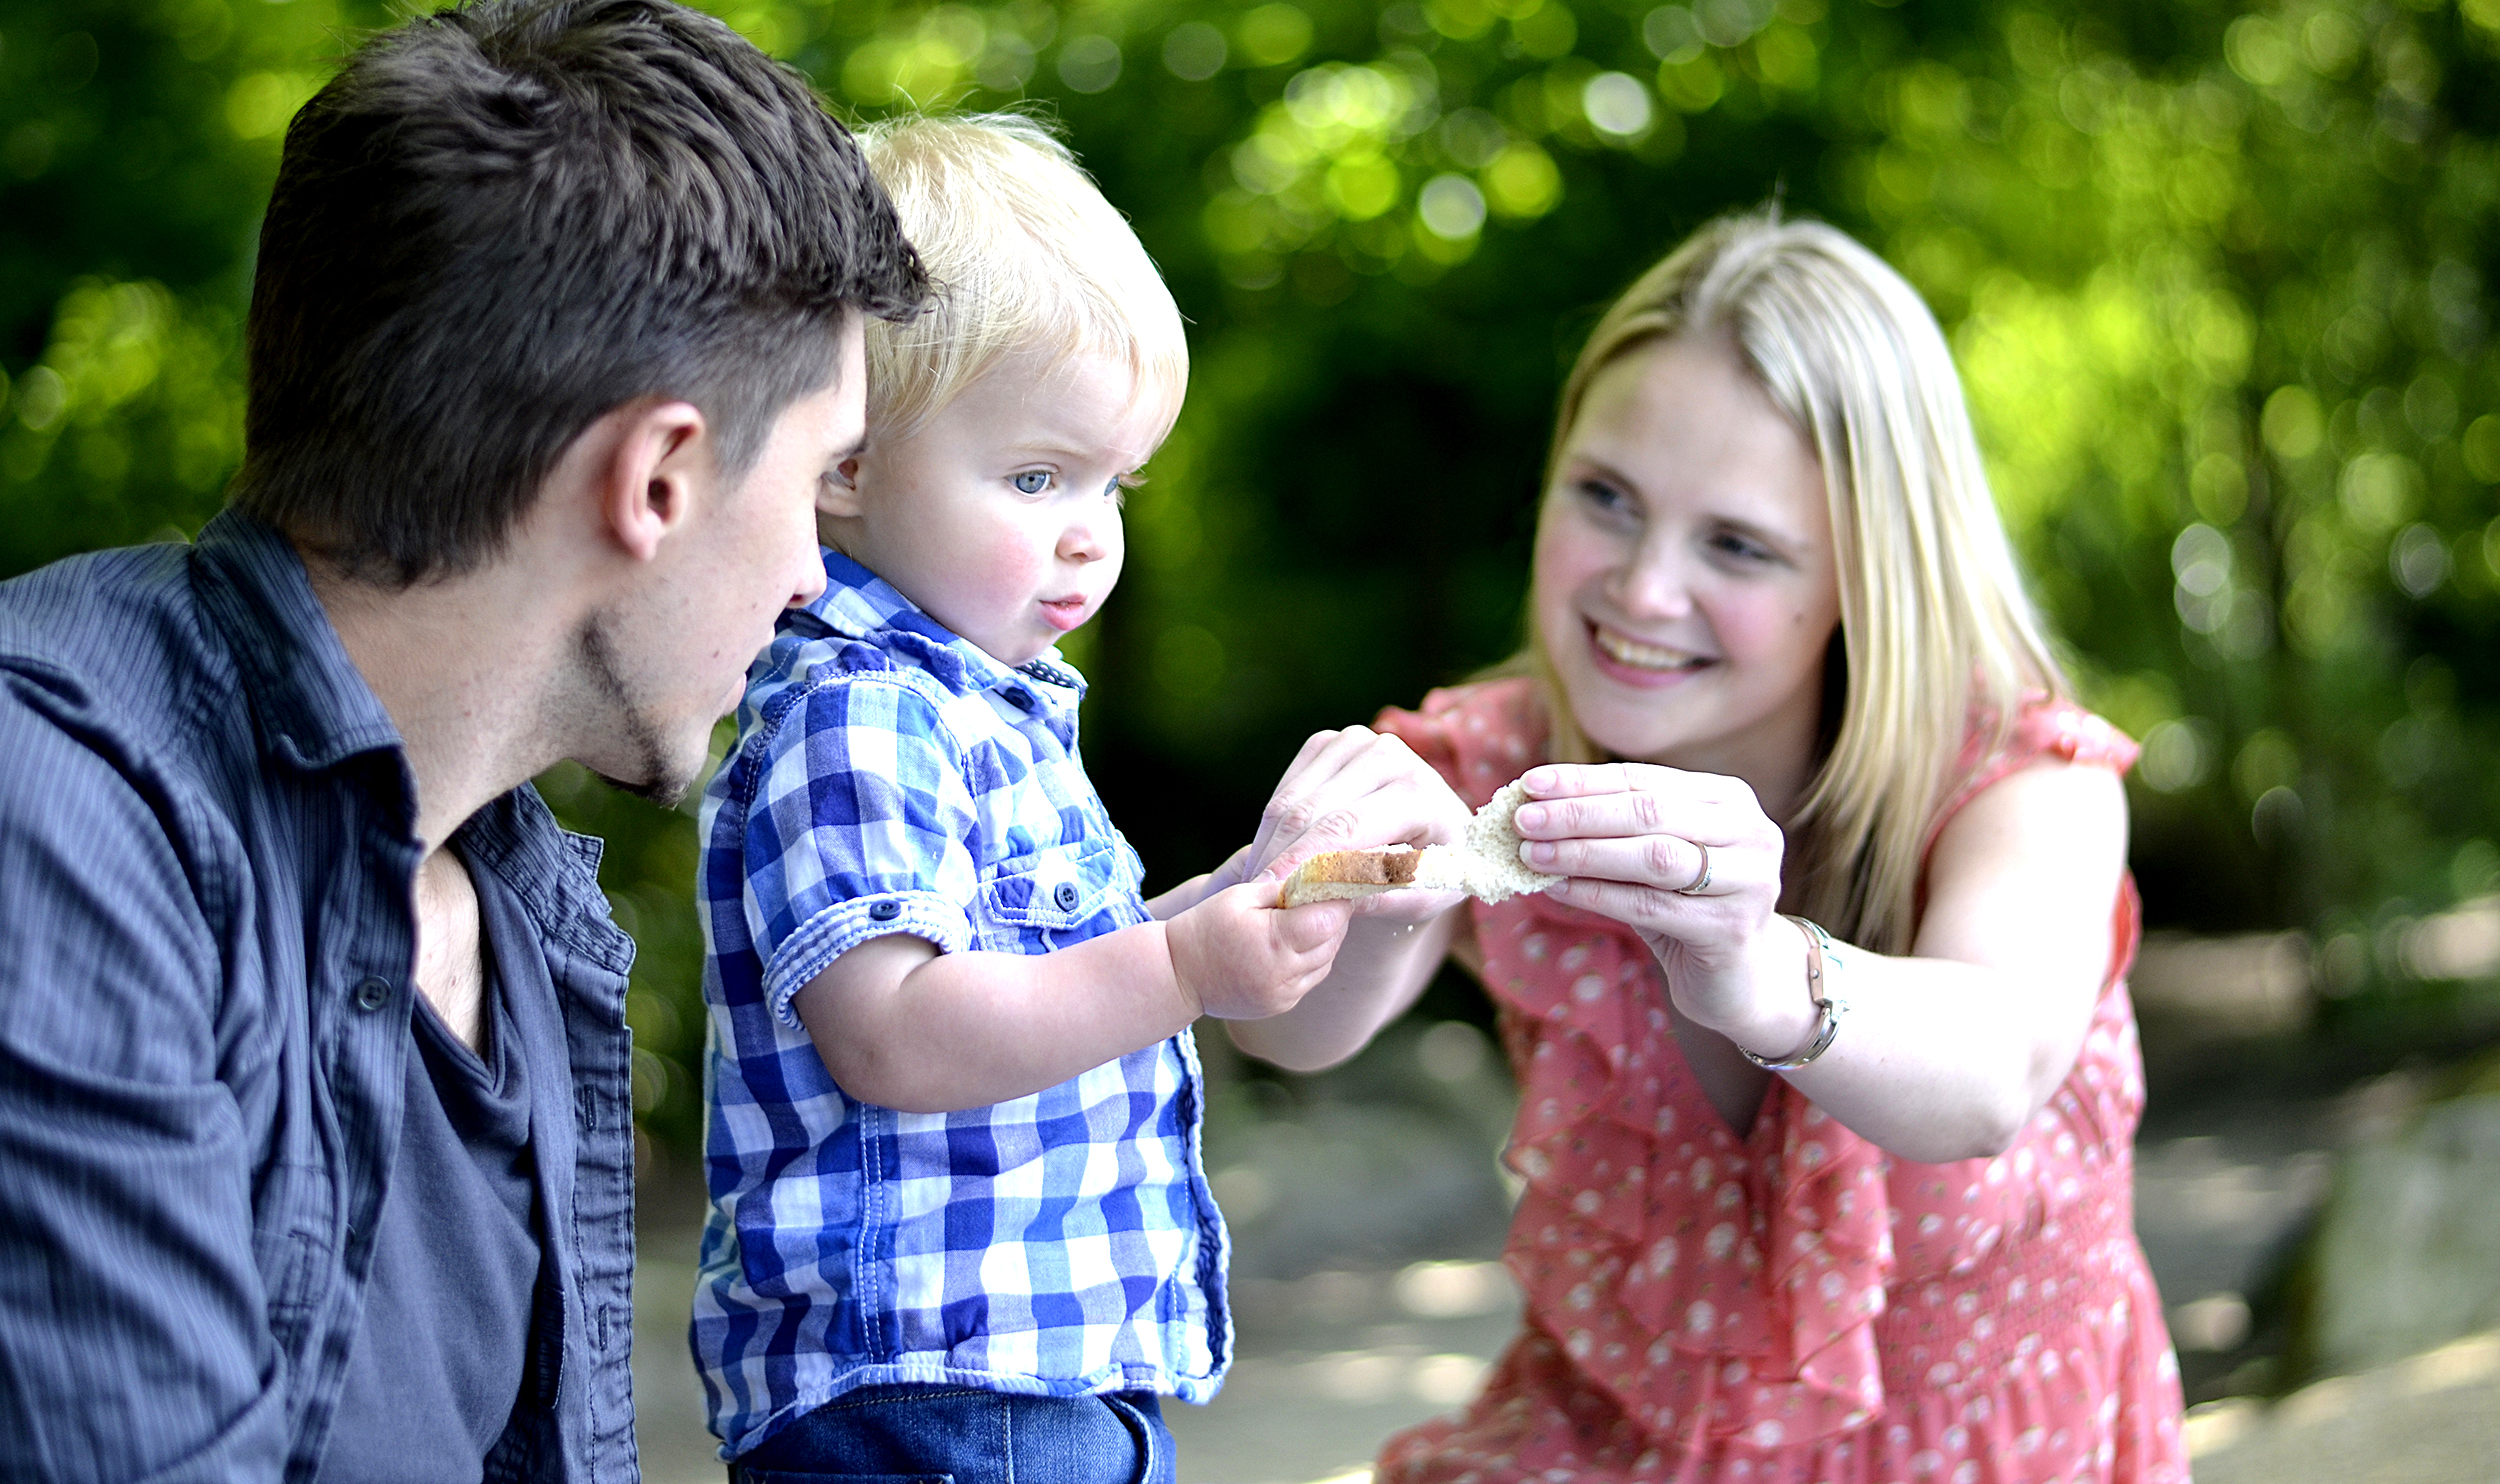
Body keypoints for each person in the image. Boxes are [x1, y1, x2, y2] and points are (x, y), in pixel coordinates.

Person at [0, 0, 927, 1482]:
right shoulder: (55, 820)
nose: (818, 579)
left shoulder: (522, 900)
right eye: (817, 476)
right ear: (657, 481)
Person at [1232, 213, 2192, 1484]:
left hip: (1986, 1448)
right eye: (1605, 499)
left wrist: (1753, 967)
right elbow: (1294, 1031)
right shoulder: (1484, 764)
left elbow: (1988, 1076)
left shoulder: (2020, 780)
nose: (1640, 589)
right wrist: (1372, 889)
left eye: (1735, 545)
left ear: (1868, 572)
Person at [690, 114, 1359, 1484]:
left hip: (1022, 1380)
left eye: (1115, 483)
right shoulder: (858, 709)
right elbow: (897, 1033)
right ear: (849, 466)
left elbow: (1042, 969)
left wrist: (1225, 905)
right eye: (1037, 477)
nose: (1089, 532)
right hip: (932, 1392)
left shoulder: (978, 704)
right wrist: (1180, 964)